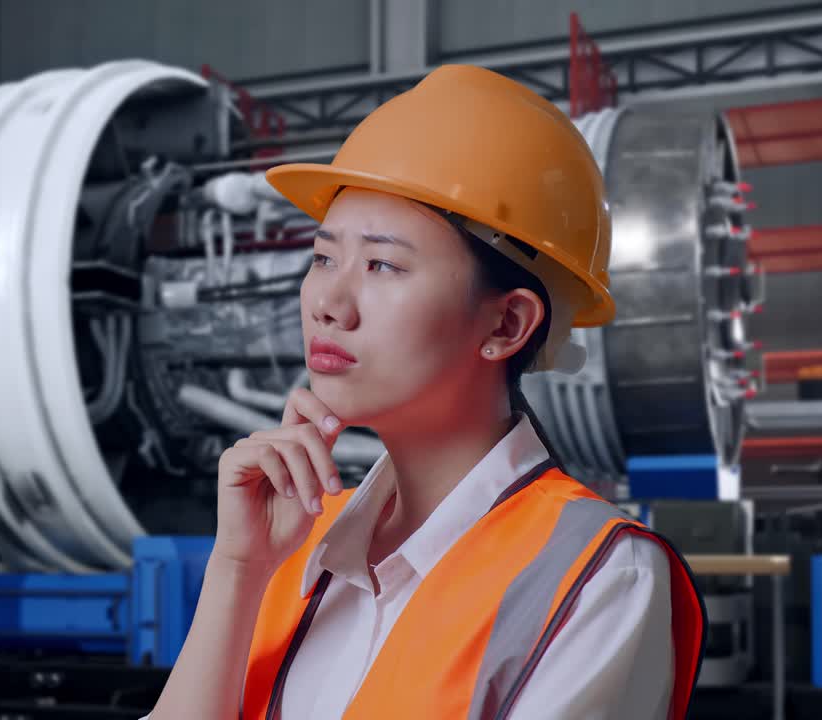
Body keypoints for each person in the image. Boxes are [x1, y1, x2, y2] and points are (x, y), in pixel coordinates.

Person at [143, 64, 705, 720]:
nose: (327, 302)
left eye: (382, 264)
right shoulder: (298, 541)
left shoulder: (598, 578)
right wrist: (238, 568)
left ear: (506, 325)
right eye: (323, 258)